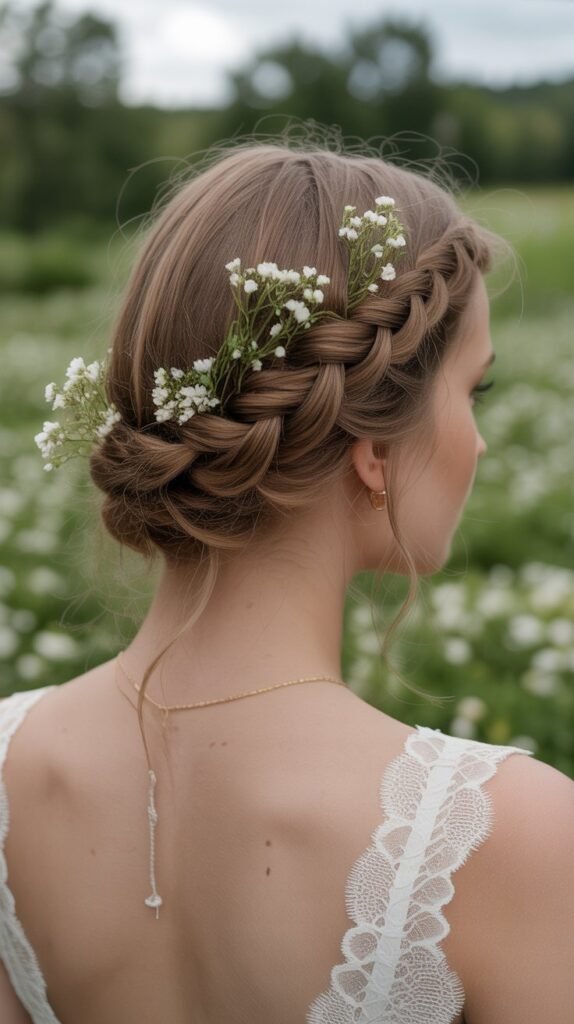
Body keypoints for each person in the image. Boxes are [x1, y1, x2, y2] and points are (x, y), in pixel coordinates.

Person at [1, 137, 573, 1024]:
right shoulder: (507, 835)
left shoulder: (10, 769)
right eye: (476, 392)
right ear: (375, 451)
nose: (482, 441)